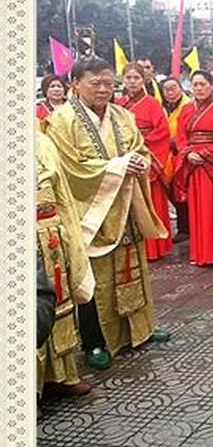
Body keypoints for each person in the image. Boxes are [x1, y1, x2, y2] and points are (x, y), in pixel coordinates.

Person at [43, 57, 171, 371]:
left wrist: (139, 161)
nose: (104, 89)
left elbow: (140, 148)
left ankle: (139, 329)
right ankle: (95, 342)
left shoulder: (122, 115)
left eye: (107, 83)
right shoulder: (61, 121)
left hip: (126, 206)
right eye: (95, 83)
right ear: (75, 83)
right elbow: (69, 168)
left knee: (131, 268)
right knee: (94, 278)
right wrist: (117, 167)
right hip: (92, 214)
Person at [36, 125, 96, 397]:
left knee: (59, 303)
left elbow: (62, 195)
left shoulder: (42, 141)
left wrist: (70, 234)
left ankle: (63, 375)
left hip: (52, 234)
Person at [173, 70, 213, 266]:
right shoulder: (186, 110)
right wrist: (188, 152)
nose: (198, 88)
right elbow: (181, 135)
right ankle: (200, 253)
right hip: (193, 164)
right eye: (195, 84)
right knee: (196, 209)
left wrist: (206, 153)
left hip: (212, 163)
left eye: (202, 84)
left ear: (211, 85)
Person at [115, 63, 173, 261]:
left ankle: (155, 248)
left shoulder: (153, 104)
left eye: (136, 78)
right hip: (125, 158)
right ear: (123, 79)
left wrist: (140, 148)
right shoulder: (118, 105)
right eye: (128, 78)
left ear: (143, 80)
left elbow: (163, 132)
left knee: (152, 203)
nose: (132, 82)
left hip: (147, 157)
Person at [161, 75, 192, 243]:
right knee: (173, 193)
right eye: (166, 90)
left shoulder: (187, 106)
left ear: (181, 88)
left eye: (173, 88)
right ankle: (184, 226)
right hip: (168, 154)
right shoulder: (165, 107)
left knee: (182, 193)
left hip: (182, 153)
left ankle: (185, 227)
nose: (170, 92)